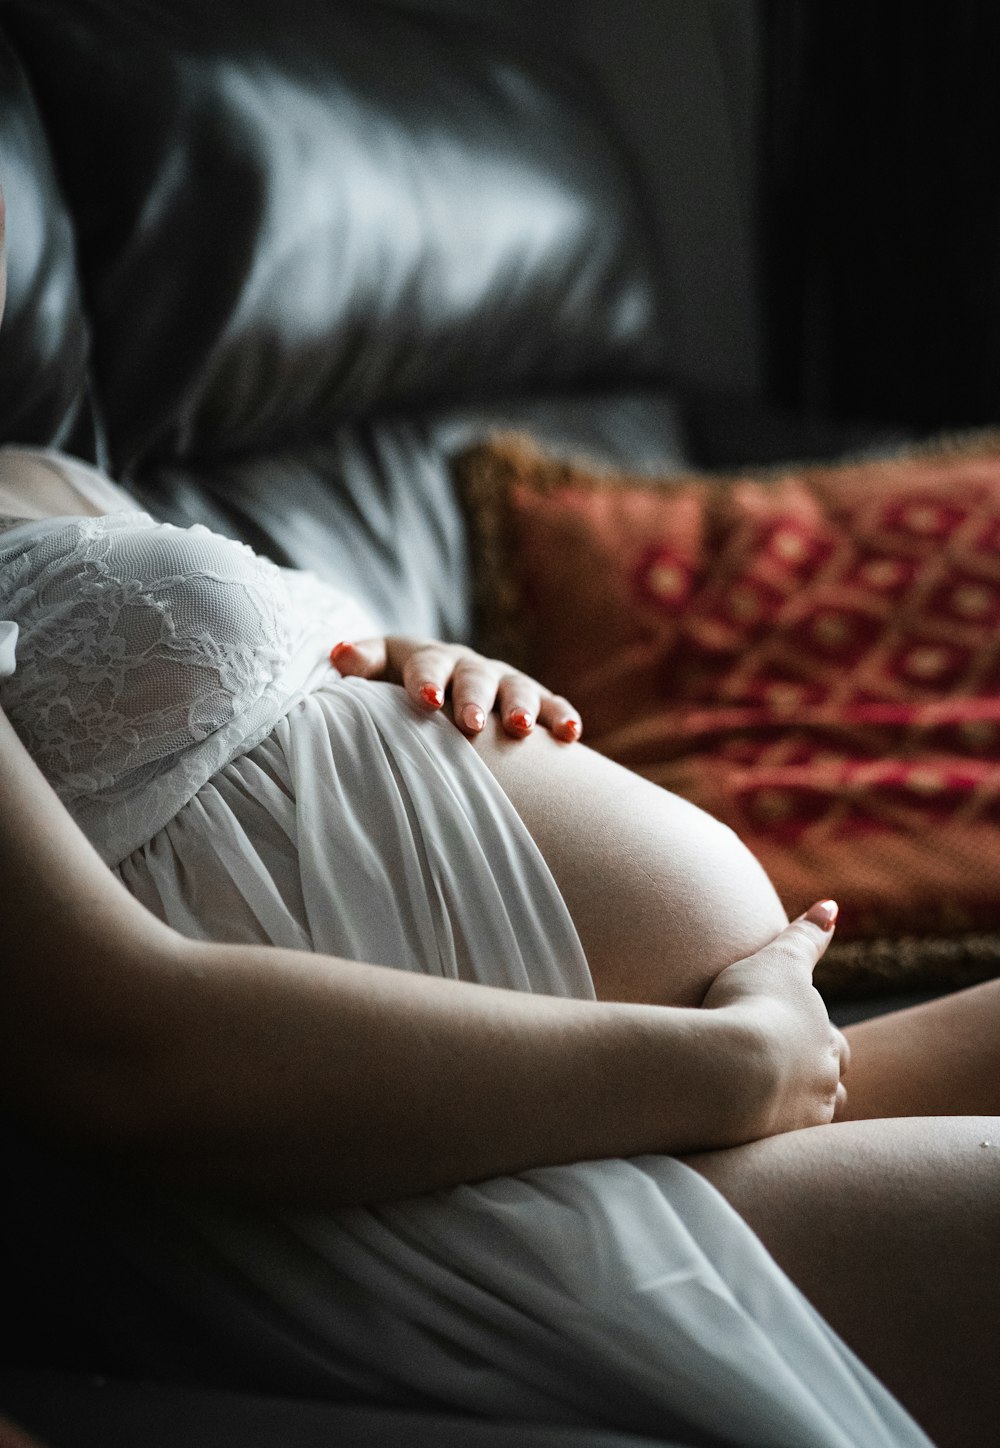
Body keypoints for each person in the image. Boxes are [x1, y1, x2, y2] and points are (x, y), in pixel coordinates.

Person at [0, 185, 997, 1448]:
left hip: (651, 1086)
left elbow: (225, 716)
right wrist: (728, 1063)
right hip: (435, 1176)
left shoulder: (50, 470)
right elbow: (116, 1045)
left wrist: (401, 656)